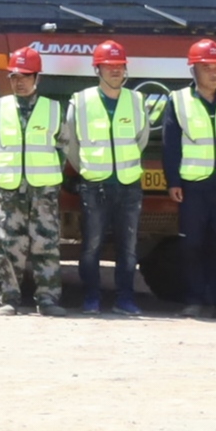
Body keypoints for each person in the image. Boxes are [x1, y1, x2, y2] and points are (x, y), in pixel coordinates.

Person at [159, 38, 216, 320]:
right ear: (193, 71)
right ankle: (194, 299)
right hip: (193, 186)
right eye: (207, 67)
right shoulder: (178, 101)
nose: (214, 72)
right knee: (192, 244)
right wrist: (172, 181)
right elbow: (170, 144)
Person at [67, 40, 152, 315]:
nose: (115, 71)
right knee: (91, 246)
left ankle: (125, 299)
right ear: (97, 69)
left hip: (128, 185)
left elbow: (142, 138)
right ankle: (91, 297)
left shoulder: (136, 101)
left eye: (119, 66)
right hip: (95, 185)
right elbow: (71, 143)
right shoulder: (81, 102)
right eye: (109, 66)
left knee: (128, 249)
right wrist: (89, 168)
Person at [0, 48, 67, 315]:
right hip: (10, 189)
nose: (19, 82)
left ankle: (48, 300)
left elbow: (63, 147)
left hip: (43, 189)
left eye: (25, 76)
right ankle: (9, 299)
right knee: (8, 244)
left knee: (46, 243)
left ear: (37, 78)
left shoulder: (53, 109)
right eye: (14, 77)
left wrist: (48, 176)